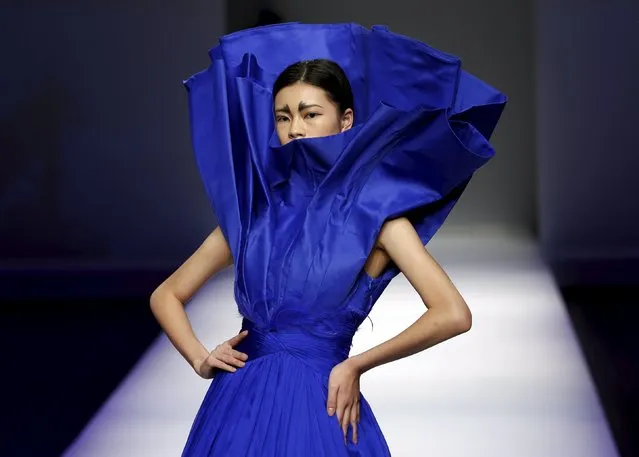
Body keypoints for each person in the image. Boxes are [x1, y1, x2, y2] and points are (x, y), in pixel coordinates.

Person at [150, 23, 506, 456]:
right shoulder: (254, 216)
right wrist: (200, 358)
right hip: (235, 407)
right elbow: (167, 294)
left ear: (345, 121)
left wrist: (358, 364)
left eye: (309, 113)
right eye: (283, 117)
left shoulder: (379, 219)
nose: (295, 128)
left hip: (321, 406)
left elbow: (453, 313)